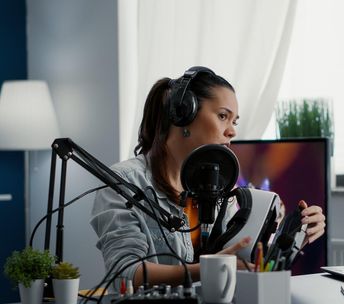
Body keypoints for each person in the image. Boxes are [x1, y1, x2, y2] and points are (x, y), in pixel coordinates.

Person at [90, 66, 326, 290]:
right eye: (223, 116)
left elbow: (243, 258)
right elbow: (125, 271)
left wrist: (293, 240)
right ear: (184, 114)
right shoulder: (123, 183)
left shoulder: (224, 187)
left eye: (234, 121)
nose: (232, 130)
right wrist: (208, 267)